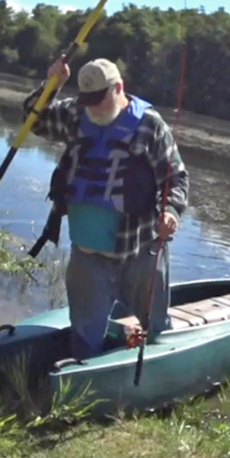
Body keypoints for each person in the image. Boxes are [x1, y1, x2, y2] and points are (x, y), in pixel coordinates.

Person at [22, 56, 189, 360]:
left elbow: (176, 178)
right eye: (88, 100)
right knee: (85, 334)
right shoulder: (76, 113)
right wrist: (51, 85)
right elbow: (35, 120)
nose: (93, 107)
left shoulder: (149, 125)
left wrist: (171, 212)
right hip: (87, 254)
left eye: (99, 99)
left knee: (156, 329)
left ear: (119, 88)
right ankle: (81, 388)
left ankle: (152, 385)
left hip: (140, 251)